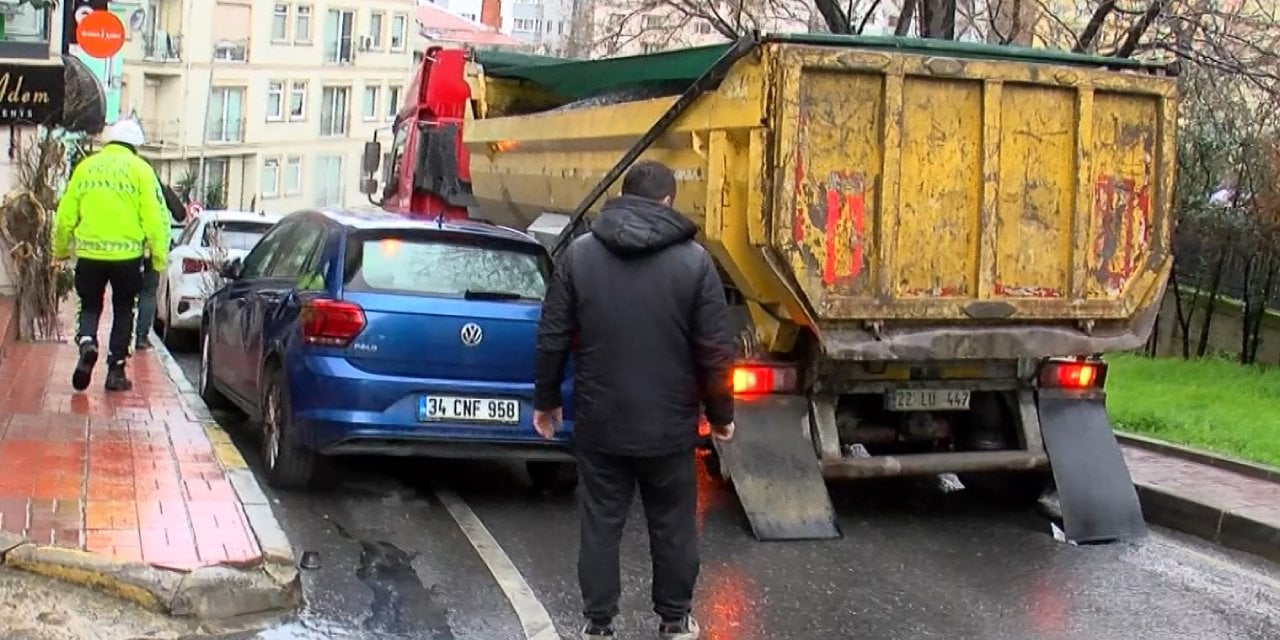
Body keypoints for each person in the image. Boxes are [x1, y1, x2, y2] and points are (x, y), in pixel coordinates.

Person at [533, 160, 736, 640]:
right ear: (668, 201)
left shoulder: (581, 256)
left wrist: (546, 400)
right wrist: (721, 414)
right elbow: (714, 349)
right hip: (668, 428)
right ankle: (674, 620)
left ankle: (598, 624)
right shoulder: (695, 262)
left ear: (622, 197)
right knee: (672, 526)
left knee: (601, 524)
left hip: (601, 423)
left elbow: (552, 336)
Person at [53, 119, 169, 391]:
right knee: (123, 309)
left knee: (90, 304)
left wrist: (59, 248)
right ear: (135, 146)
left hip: (90, 253)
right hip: (127, 257)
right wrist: (158, 257)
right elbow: (154, 217)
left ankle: (87, 342)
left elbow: (65, 215)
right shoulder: (142, 170)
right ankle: (116, 371)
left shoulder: (86, 168)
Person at [134, 176, 186, 351]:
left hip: (128, 244)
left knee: (124, 294)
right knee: (148, 292)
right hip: (153, 246)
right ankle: (141, 337)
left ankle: (123, 337)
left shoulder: (125, 183)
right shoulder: (157, 186)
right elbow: (180, 214)